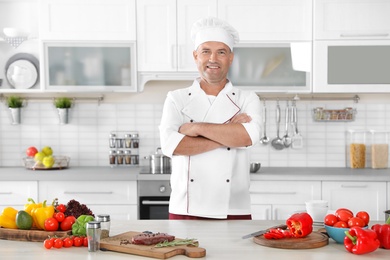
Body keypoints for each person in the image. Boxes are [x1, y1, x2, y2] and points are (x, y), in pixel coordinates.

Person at [159, 17, 261, 220]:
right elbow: (172, 146)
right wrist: (228, 131)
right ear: (195, 55)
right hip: (185, 208)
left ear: (230, 58)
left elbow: (248, 137)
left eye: (221, 52)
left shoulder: (247, 98)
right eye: (206, 51)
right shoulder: (176, 98)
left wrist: (195, 128)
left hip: (234, 207)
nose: (213, 58)